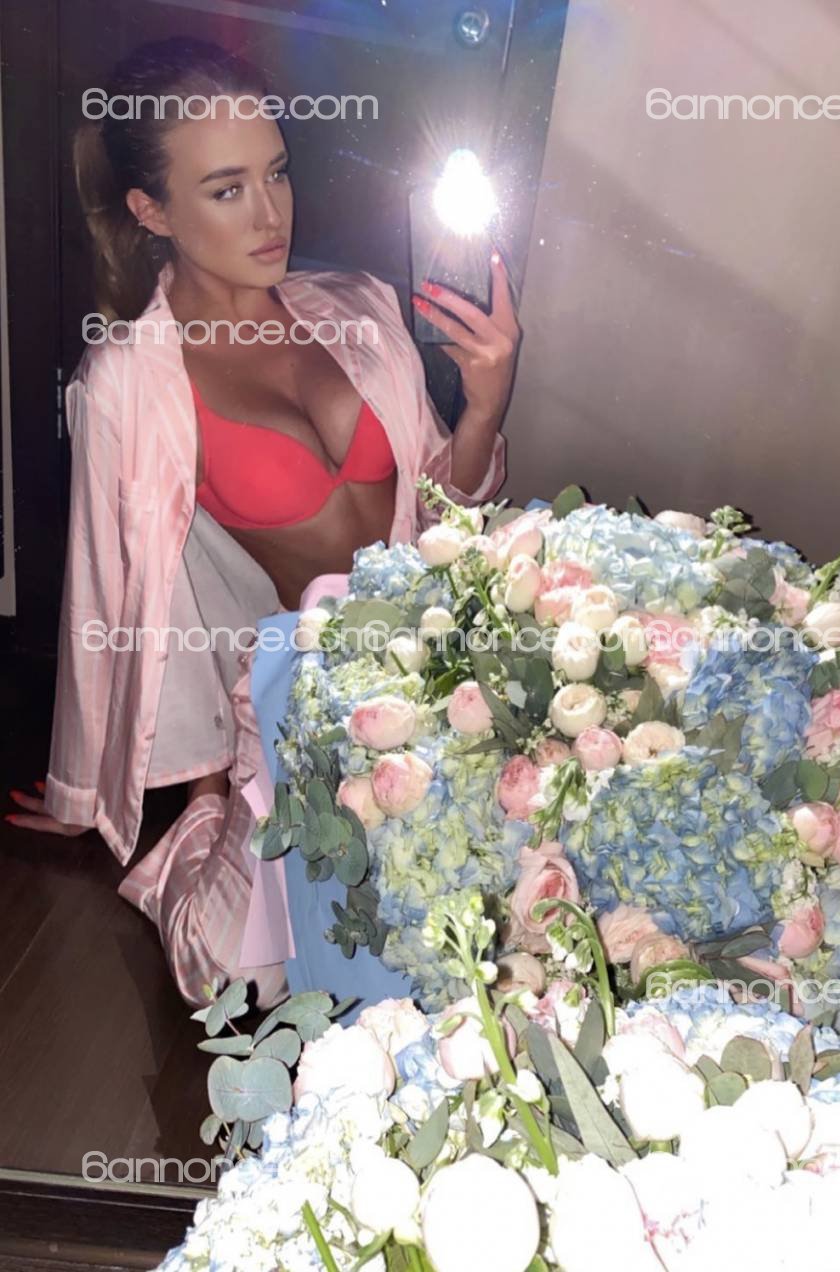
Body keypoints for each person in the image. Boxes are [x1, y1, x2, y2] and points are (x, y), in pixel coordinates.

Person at [6, 37, 519, 1005]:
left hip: (455, 657)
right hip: (313, 701)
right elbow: (111, 589)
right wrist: (86, 793)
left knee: (512, 912)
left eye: (276, 173)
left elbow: (447, 510)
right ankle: (214, 832)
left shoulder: (358, 310)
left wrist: (485, 404)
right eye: (227, 189)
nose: (271, 213)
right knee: (251, 976)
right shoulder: (129, 381)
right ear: (152, 211)